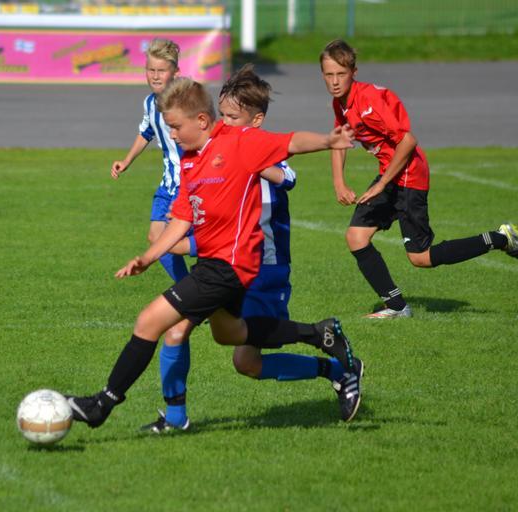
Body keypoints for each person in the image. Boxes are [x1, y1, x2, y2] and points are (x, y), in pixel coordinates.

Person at [66, 77, 362, 430]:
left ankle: (103, 404)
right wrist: (148, 257)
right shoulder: (190, 161)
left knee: (150, 322)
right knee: (229, 334)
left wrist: (328, 141)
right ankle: (319, 334)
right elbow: (181, 219)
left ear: (202, 121)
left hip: (230, 266)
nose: (172, 135)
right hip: (215, 264)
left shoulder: (239, 142)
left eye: (176, 127)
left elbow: (291, 142)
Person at [320, 39, 518, 319]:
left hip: (409, 175)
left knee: (420, 257)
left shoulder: (370, 100)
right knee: (356, 237)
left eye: (341, 74)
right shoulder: (340, 103)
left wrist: (381, 184)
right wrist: (339, 183)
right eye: (328, 74)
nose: (334, 81)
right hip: (390, 174)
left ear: (354, 72)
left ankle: (500, 238)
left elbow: (408, 141)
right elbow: (340, 139)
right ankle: (397, 307)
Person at [110, 38, 198, 375]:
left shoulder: (188, 100)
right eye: (150, 69)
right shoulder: (150, 102)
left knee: (179, 243)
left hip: (189, 186)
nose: (155, 75)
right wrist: (126, 161)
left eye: (162, 70)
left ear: (176, 71)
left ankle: (196, 293)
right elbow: (146, 132)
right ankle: (190, 292)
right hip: (167, 186)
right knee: (156, 239)